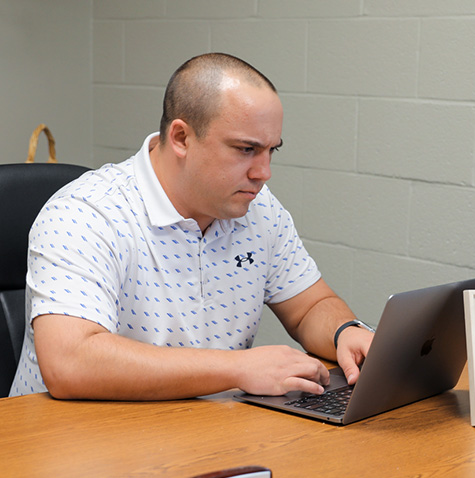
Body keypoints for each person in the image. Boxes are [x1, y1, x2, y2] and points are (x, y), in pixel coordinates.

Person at [10, 53, 374, 400]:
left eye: (270, 151)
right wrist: (238, 368)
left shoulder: (259, 209)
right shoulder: (86, 213)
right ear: (181, 138)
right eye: (246, 149)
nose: (263, 173)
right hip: (71, 445)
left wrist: (344, 331)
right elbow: (70, 362)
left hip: (202, 434)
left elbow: (311, 307)